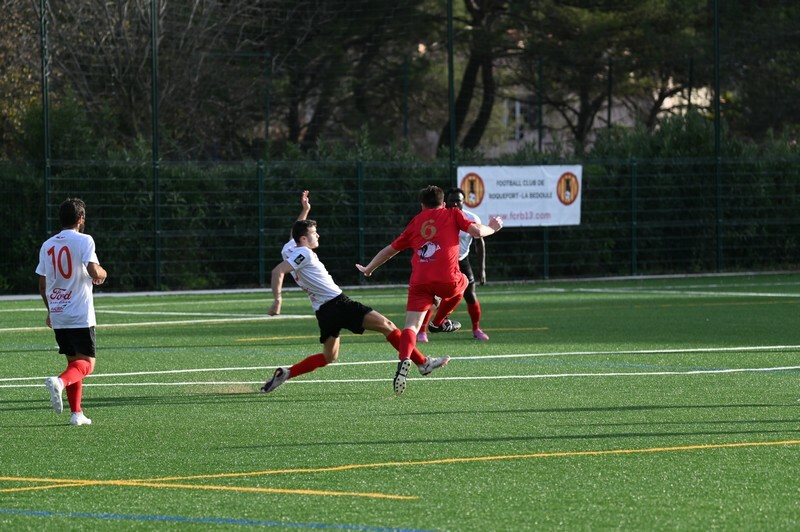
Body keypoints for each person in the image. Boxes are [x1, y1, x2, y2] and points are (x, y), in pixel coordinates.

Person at [261, 190, 449, 395]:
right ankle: (422, 363)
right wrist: (277, 300)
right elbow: (277, 271)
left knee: (329, 356)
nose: (318, 235)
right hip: (338, 303)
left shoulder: (289, 248)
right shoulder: (304, 253)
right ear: (304, 239)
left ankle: (287, 373)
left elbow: (295, 232)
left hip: (323, 311)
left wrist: (305, 210)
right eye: (314, 233)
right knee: (388, 326)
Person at [356, 185, 503, 394]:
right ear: (443, 203)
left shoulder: (416, 221)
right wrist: (493, 228)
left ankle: (404, 359)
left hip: (420, 281)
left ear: (422, 205)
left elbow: (390, 250)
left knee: (410, 326)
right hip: (447, 280)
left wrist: (369, 268)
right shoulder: (453, 213)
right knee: (464, 281)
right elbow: (478, 232)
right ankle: (438, 322)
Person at [36, 198, 108, 426]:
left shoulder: (47, 245)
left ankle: (77, 414)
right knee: (87, 364)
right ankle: (59, 382)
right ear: (80, 218)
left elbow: (42, 284)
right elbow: (93, 270)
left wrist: (51, 311)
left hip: (59, 312)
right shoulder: (85, 240)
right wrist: (103, 273)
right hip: (79, 313)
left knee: (74, 363)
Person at [417, 187, 490, 342]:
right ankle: (422, 331)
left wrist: (482, 269)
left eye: (459, 201)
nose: (455, 204)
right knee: (435, 298)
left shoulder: (472, 218)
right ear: (445, 202)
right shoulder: (439, 218)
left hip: (462, 260)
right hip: (443, 264)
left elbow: (479, 243)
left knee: (470, 295)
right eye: (452, 201)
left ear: (464, 202)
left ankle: (476, 329)